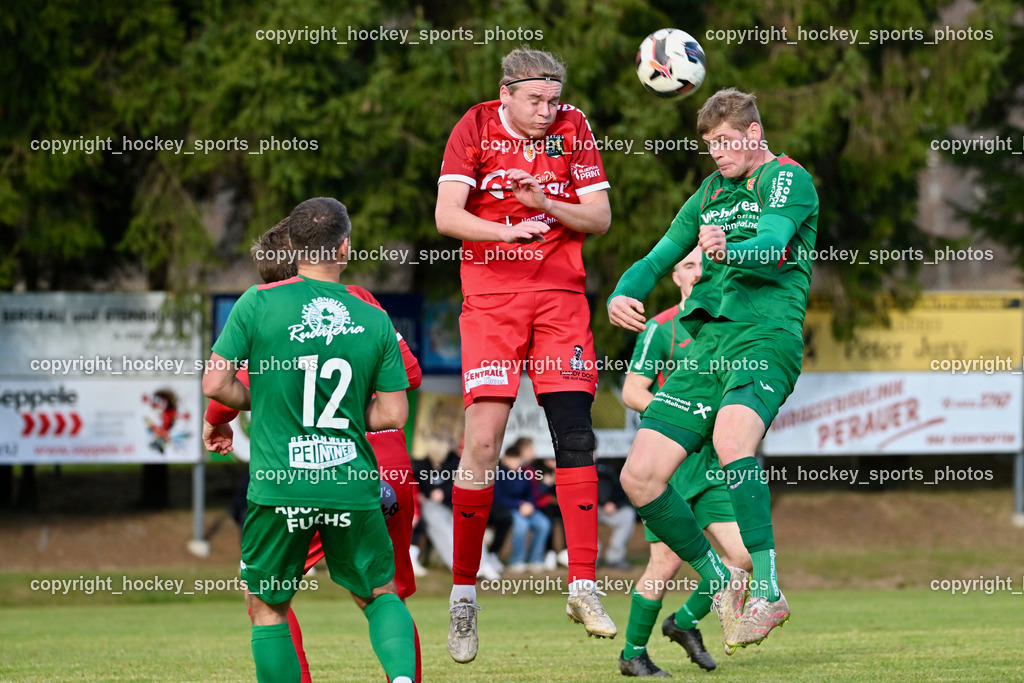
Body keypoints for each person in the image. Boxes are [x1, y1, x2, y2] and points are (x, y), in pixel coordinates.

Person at [608, 88, 819, 653]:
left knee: (731, 440)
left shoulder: (787, 179)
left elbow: (774, 244)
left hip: (765, 336)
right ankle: (719, 575)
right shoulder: (709, 191)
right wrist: (623, 291)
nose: (718, 154)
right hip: (707, 346)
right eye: (710, 145)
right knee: (640, 475)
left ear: (754, 134)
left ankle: (768, 590)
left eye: (726, 143)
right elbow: (658, 256)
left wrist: (728, 249)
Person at [435, 47, 615, 661]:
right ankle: (463, 595)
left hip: (561, 300)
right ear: (506, 93)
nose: (547, 110)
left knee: (576, 435)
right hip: (491, 301)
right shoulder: (476, 125)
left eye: (553, 99)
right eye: (535, 100)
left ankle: (584, 585)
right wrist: (508, 232)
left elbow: (599, 216)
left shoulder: (574, 126)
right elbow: (446, 216)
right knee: (482, 442)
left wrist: (544, 206)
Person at [202, 197, 416, 683]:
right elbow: (394, 412)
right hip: (351, 483)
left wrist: (272, 403)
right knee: (380, 594)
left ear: (294, 246)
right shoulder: (372, 316)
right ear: (344, 248)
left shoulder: (258, 302)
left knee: (267, 603)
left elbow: (215, 385)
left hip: (281, 486)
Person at [617, 250, 752, 677]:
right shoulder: (661, 327)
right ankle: (632, 654)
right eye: (689, 265)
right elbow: (632, 391)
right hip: (670, 465)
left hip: (711, 465)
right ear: (676, 276)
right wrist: (680, 418)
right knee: (666, 563)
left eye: (704, 263)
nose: (699, 270)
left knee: (743, 558)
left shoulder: (728, 326)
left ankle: (684, 623)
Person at [493, 442, 551, 572]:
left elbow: (531, 494)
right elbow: (499, 497)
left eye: (517, 459)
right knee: (522, 525)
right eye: (511, 459)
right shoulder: (499, 474)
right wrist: (519, 505)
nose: (514, 462)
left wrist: (530, 505)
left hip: (528, 508)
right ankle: (516, 560)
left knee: (544, 524)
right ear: (505, 459)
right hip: (510, 508)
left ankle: (536, 560)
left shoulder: (524, 474)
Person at [595, 459, 635, 571]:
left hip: (610, 508)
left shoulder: (607, 467)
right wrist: (601, 502)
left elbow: (620, 490)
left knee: (628, 514)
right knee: (582, 515)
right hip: (590, 507)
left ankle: (615, 558)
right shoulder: (577, 467)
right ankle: (592, 558)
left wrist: (615, 504)